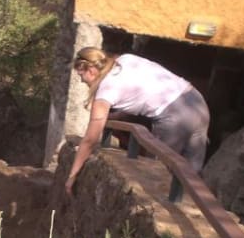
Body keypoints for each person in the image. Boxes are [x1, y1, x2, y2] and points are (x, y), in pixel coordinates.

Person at [65, 47, 210, 196]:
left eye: (81, 75)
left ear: (91, 70)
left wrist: (72, 175)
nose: (82, 80)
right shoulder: (126, 59)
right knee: (192, 175)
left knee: (156, 173)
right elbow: (141, 93)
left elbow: (90, 140)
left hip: (175, 118)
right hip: (196, 102)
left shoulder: (106, 91)